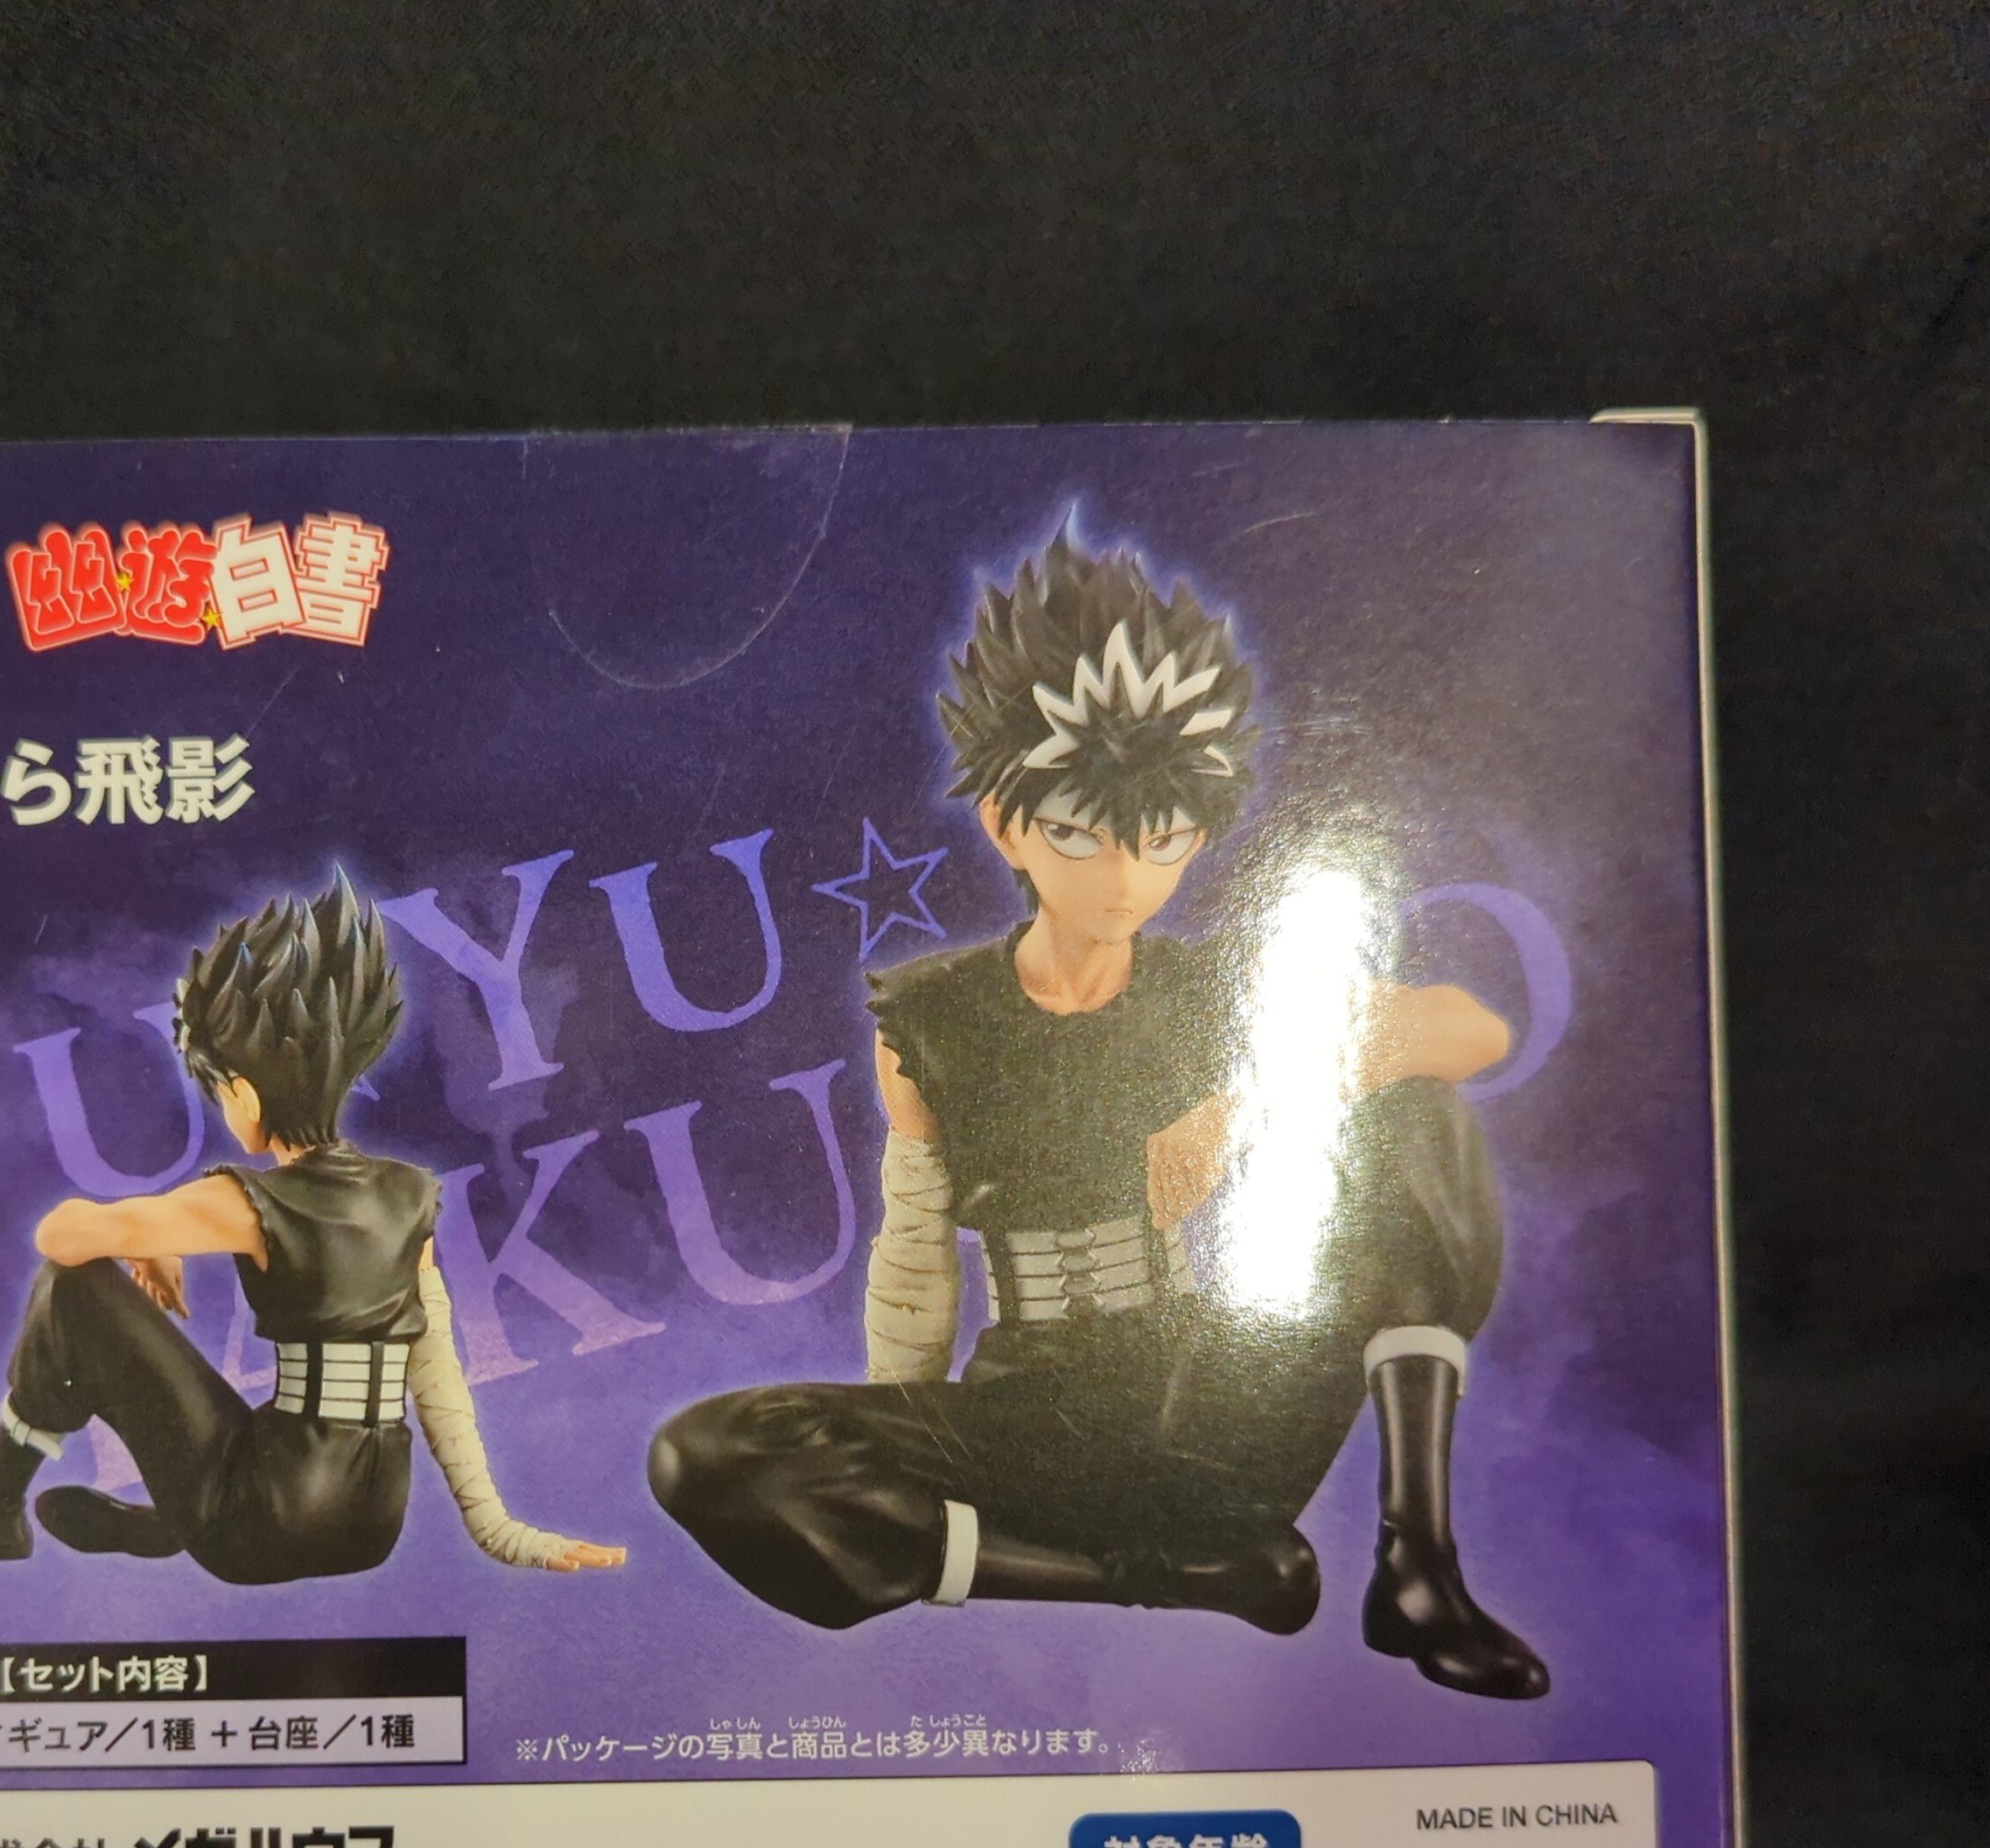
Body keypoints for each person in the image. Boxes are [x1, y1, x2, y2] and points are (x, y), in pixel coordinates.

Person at [648, 531, 1546, 1698]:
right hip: (1030, 1413)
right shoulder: (930, 1015)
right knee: (708, 1454)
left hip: (1215, 1400)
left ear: (1199, 832)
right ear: (1005, 823)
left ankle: (1417, 1564)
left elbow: (1468, 1031)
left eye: (1160, 839)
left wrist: (1246, 1106)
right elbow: (915, 1260)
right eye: (1080, 832)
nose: (1123, 879)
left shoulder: (1220, 987)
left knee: (1412, 1113)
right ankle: (1180, 1575)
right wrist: (890, 1435)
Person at [0, 872, 623, 1584]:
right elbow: (435, 1372)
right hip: (371, 1523)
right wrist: (497, 1529)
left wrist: (148, 1235)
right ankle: (173, 1519)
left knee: (71, 1286)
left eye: (217, 1090)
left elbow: (62, 1235)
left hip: (268, 1519)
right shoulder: (407, 1195)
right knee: (283, 1422)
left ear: (243, 1094)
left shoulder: (246, 1201)